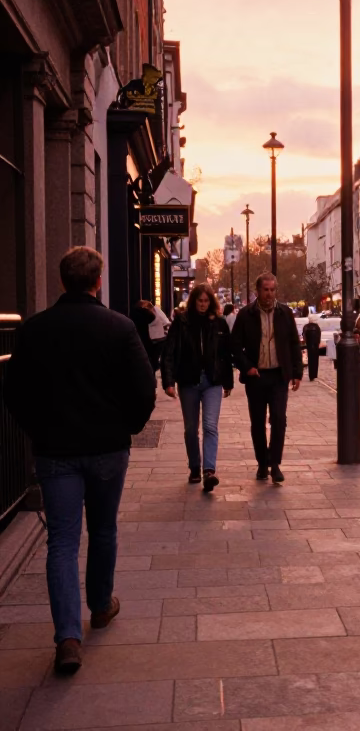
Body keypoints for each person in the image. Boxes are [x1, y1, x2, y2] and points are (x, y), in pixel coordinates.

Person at [2, 247, 155, 673]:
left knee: (63, 542)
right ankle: (101, 604)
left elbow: (13, 391)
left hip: (57, 453)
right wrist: (128, 427)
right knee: (103, 529)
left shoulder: (36, 330)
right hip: (107, 449)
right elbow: (144, 390)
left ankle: (68, 637)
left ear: (62, 281)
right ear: (98, 281)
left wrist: (39, 430)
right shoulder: (119, 328)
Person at [231, 273, 303, 483]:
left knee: (279, 419)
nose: (269, 294)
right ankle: (262, 462)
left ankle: (275, 464)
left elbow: (294, 344)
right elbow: (235, 346)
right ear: (258, 291)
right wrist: (247, 367)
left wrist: (297, 372)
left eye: (272, 290)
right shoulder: (246, 315)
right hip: (257, 376)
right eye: (266, 290)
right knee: (257, 422)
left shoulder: (285, 313)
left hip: (279, 375)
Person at [161, 285, 233, 491]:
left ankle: (209, 470)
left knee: (210, 426)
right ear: (194, 301)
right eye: (200, 301)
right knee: (191, 429)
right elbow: (169, 352)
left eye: (206, 301)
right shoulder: (182, 322)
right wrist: (168, 382)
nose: (203, 305)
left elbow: (225, 355)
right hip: (189, 381)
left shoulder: (219, 323)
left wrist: (228, 382)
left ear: (211, 302)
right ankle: (194, 465)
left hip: (212, 381)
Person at [302, 316, 322, 381]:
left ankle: (311, 375)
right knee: (315, 360)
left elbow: (304, 335)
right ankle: (314, 374)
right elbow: (319, 335)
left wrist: (306, 342)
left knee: (310, 360)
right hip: (315, 345)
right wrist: (318, 342)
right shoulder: (316, 327)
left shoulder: (306, 327)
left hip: (309, 345)